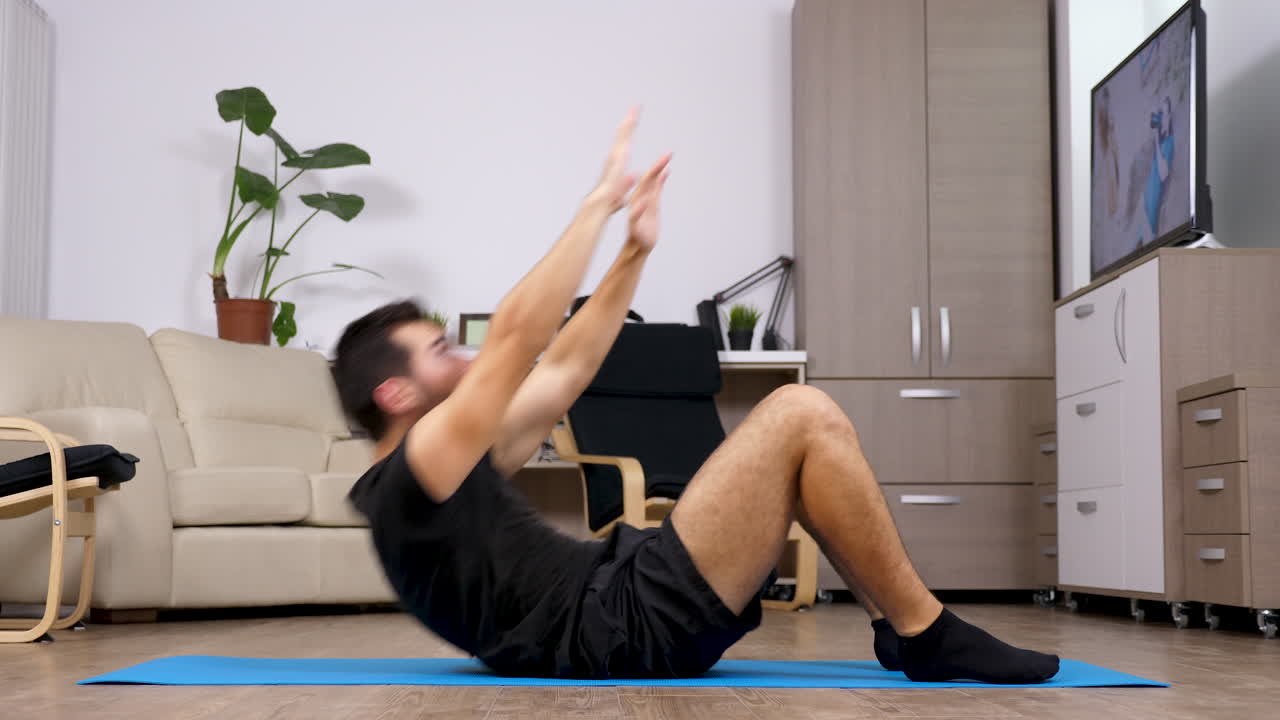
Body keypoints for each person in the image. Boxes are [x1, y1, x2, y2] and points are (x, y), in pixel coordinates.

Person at [335, 109, 1060, 683]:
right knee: (798, 413)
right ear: (395, 393)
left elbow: (564, 370)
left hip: (622, 591)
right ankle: (926, 633)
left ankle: (898, 628)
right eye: (439, 352)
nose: (460, 359)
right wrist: (596, 206)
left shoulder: (441, 473)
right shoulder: (409, 482)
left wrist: (634, 251)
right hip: (616, 625)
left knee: (800, 436)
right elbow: (516, 341)